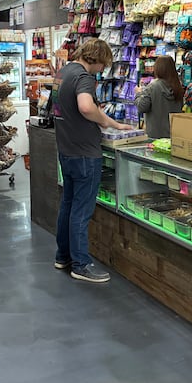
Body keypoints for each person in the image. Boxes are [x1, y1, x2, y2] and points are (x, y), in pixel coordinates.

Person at [53, 37, 132, 283]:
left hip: (66, 149)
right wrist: (110, 122)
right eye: (102, 64)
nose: (102, 70)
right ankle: (81, 264)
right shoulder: (84, 77)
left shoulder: (63, 72)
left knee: (68, 204)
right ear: (94, 59)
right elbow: (86, 107)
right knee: (81, 209)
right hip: (85, 153)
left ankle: (63, 256)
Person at [134, 55, 184, 138]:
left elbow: (142, 107)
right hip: (174, 135)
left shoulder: (152, 87)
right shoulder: (178, 86)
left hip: (155, 136)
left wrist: (138, 93)